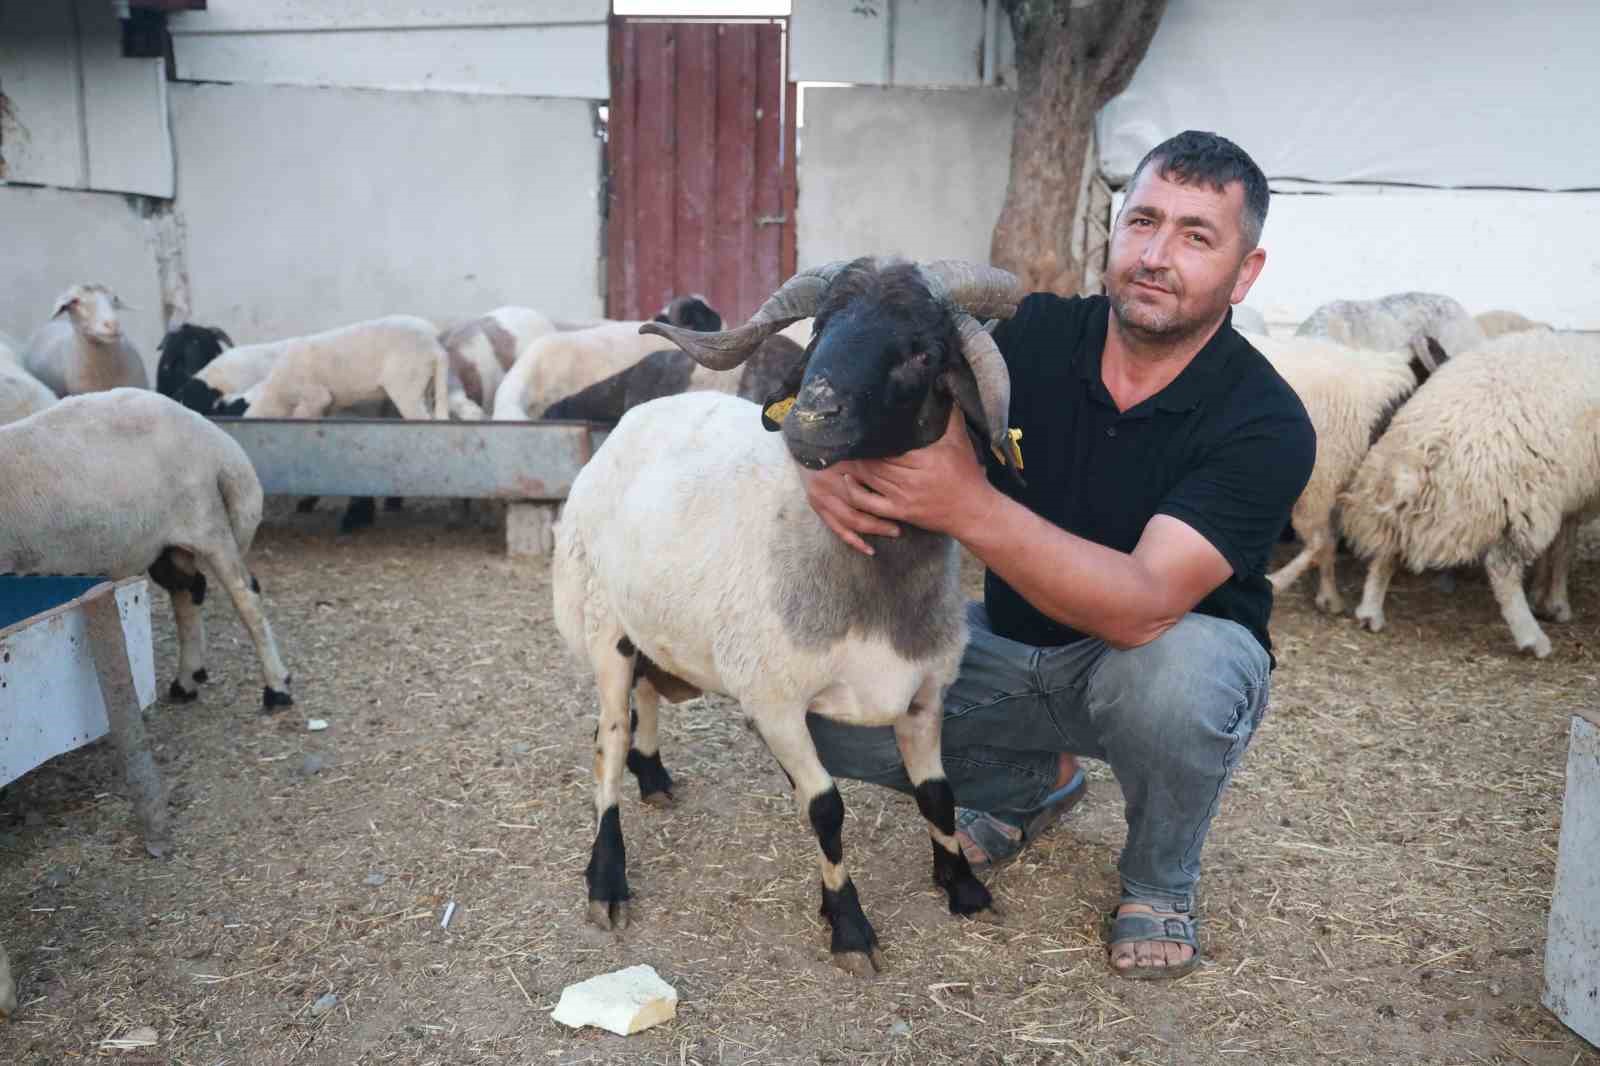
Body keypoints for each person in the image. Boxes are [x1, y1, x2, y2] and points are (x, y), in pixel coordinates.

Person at [799, 130, 1315, 979]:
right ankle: (1026, 783)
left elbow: (1145, 601)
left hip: (1151, 659)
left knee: (1182, 678)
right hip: (1007, 647)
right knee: (815, 703)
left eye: (1195, 236)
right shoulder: (1027, 336)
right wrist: (816, 463)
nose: (1156, 255)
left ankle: (1158, 880)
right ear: (1111, 236)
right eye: (1142, 222)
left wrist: (968, 504)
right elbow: (856, 369)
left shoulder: (1263, 419)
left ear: (1245, 272)